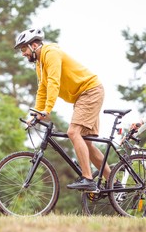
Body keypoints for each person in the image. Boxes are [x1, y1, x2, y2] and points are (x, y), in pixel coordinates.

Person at [14, 28, 110, 191]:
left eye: (24, 49)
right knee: (86, 143)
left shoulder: (50, 53)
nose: (23, 53)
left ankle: (87, 178)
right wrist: (37, 113)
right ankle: (114, 182)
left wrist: (47, 109)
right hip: (83, 96)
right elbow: (42, 89)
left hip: (90, 91)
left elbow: (53, 82)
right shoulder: (40, 64)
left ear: (34, 45)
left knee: (73, 133)